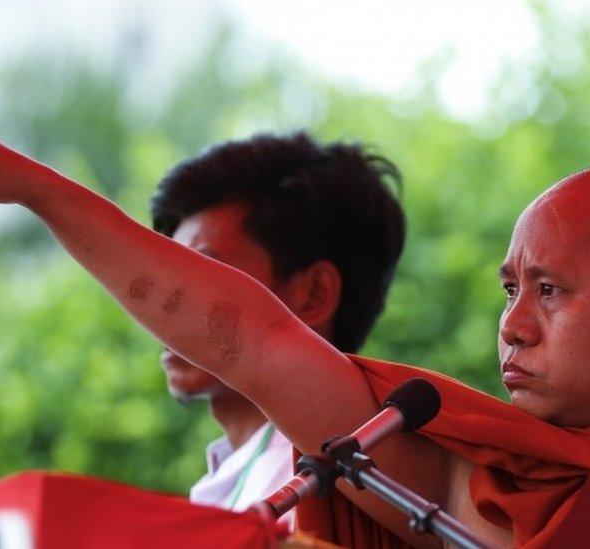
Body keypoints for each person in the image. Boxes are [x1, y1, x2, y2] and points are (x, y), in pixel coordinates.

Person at [0, 69, 590, 548]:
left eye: (551, 290)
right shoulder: (466, 470)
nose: (514, 323)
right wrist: (33, 188)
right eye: (510, 289)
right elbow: (246, 336)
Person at [148, 133, 405, 522]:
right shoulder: (248, 473)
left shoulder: (321, 489)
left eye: (201, 272)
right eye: (164, 277)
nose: (163, 306)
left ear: (314, 294)